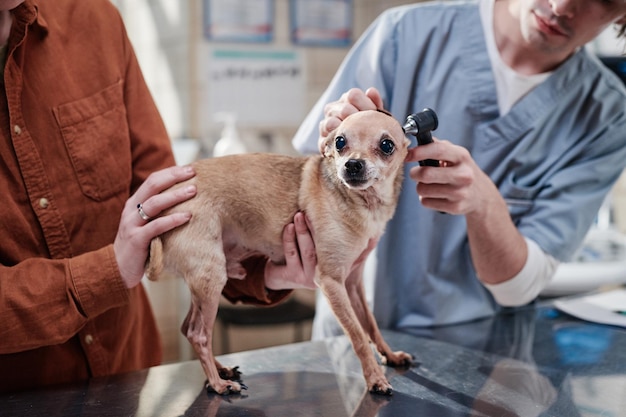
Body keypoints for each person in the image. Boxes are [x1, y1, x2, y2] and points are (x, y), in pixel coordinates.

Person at [0, 0, 314, 392]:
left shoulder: (95, 20)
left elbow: (175, 202)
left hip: (130, 374)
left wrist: (262, 269)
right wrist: (106, 273)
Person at [292, 0, 626, 339]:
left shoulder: (607, 116)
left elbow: (518, 288)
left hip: (473, 352)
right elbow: (306, 193)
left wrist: (484, 204)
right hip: (351, 337)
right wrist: (337, 144)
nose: (562, 5)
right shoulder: (402, 35)